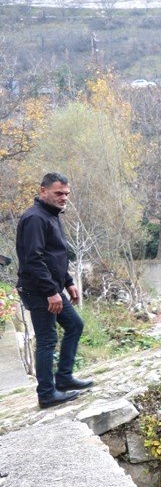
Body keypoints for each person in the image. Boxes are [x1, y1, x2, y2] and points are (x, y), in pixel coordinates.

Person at [16, 173, 93, 408]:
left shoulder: (52, 216)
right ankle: (47, 394)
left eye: (66, 194)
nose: (64, 198)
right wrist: (51, 291)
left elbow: (56, 255)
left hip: (53, 288)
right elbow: (33, 260)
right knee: (47, 339)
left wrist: (68, 281)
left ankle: (64, 378)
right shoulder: (34, 218)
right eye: (58, 193)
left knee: (74, 325)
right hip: (38, 290)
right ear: (43, 191)